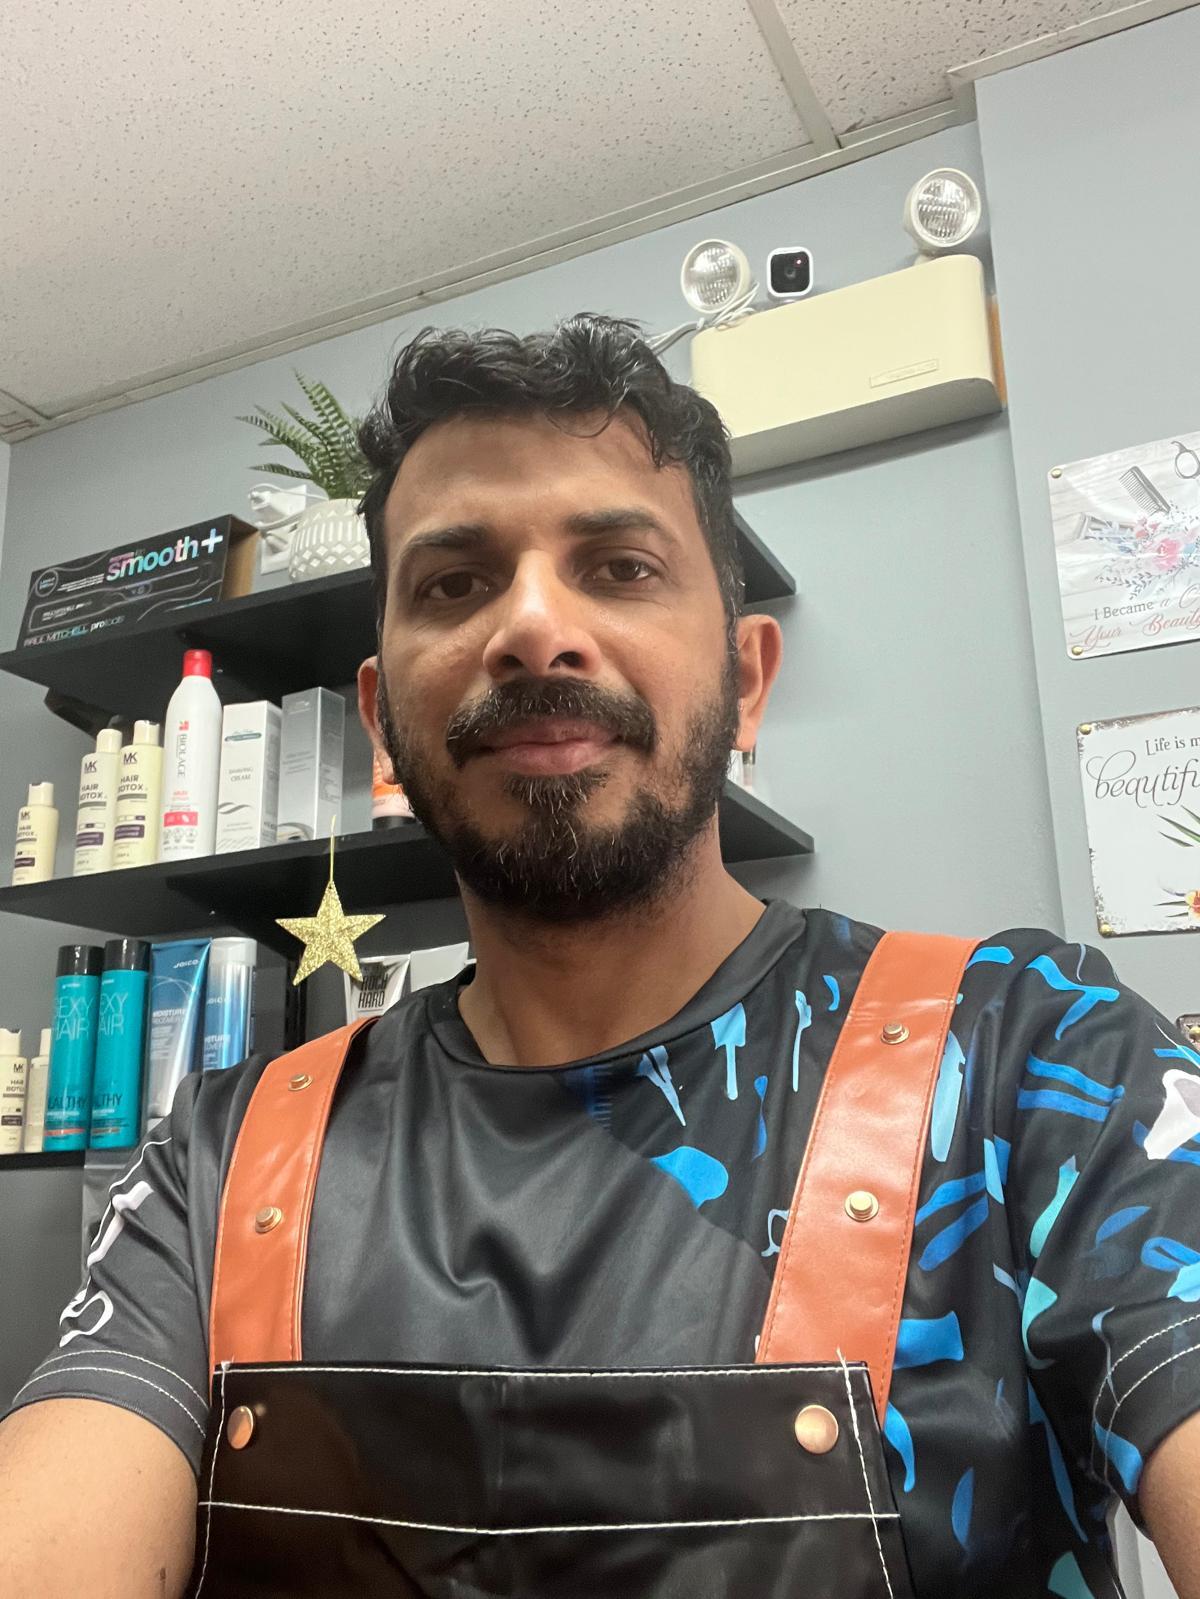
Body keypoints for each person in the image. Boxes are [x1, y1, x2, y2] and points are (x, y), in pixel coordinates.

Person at [1, 315, 1198, 1599]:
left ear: (746, 680)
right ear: (383, 720)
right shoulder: (225, 1158)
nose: (532, 627)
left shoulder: (1041, 1058)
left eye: (620, 568)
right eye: (454, 583)